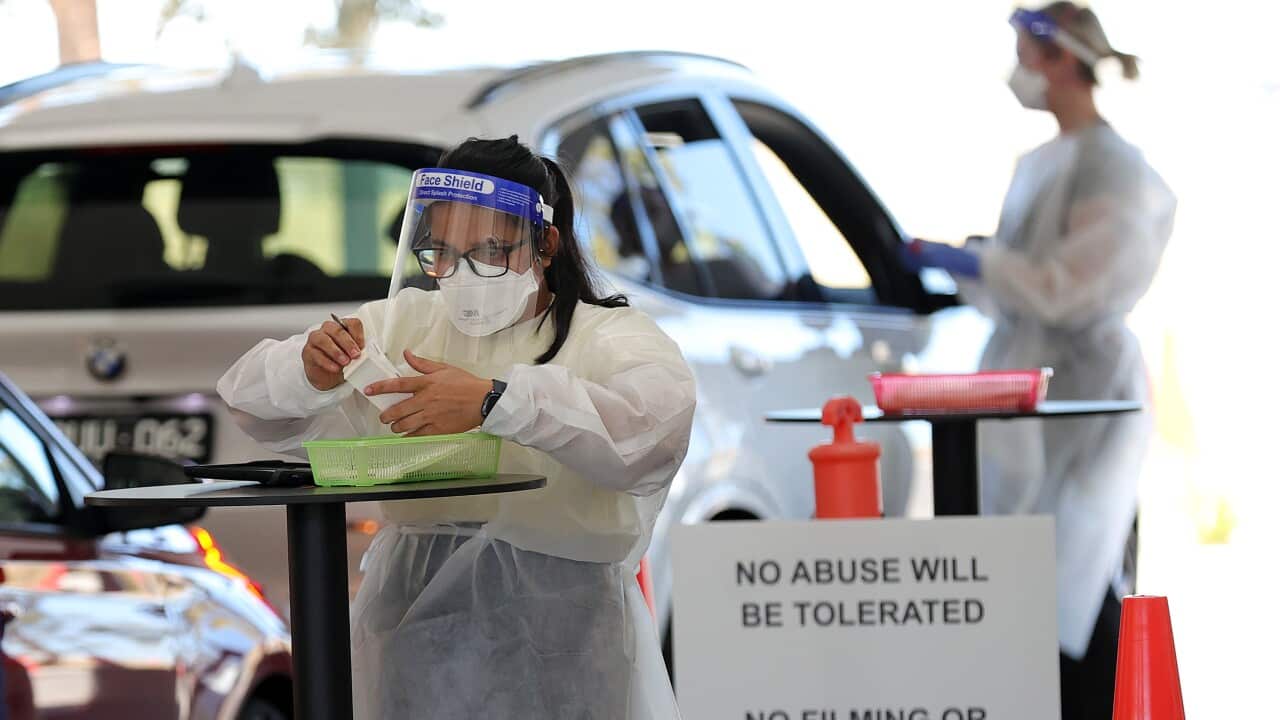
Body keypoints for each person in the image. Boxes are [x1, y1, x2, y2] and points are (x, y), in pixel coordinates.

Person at [217, 136, 696, 718]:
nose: (462, 274)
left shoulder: (606, 336)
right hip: (415, 623)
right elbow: (248, 399)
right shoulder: (405, 323)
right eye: (442, 252)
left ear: (545, 243)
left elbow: (652, 433)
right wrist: (308, 369)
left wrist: (499, 402)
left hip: (564, 637)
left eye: (490, 250)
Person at [902, 4, 1175, 719]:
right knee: (1021, 580)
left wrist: (987, 263)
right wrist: (972, 266)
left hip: (1089, 392)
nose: (1018, 67)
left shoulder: (1118, 168)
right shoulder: (1041, 161)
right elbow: (1026, 288)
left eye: (1026, 49)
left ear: (1060, 58)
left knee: (1078, 583)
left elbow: (1070, 289)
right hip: (1028, 385)